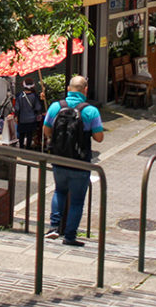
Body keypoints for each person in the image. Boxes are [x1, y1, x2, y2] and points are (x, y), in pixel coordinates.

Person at [43, 75, 104, 247]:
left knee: (59, 191)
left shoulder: (56, 107)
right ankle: (69, 236)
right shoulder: (91, 111)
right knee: (77, 201)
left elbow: (46, 130)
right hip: (80, 162)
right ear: (85, 90)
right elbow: (99, 137)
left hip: (59, 159)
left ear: (69, 89)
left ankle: (54, 227)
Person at [15, 80, 44, 150]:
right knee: (29, 135)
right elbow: (38, 108)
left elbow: (17, 108)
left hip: (22, 119)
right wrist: (42, 100)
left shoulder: (19, 95)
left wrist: (16, 116)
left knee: (21, 135)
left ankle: (21, 147)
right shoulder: (35, 96)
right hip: (32, 119)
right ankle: (28, 148)